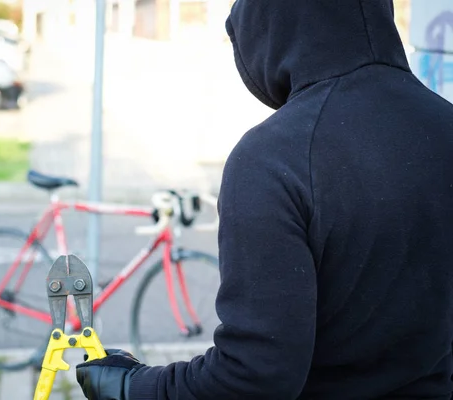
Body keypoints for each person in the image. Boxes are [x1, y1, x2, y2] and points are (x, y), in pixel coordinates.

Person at [75, 0, 453, 398]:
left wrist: (132, 386)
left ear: (266, 26)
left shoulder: (274, 158)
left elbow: (252, 376)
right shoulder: (444, 126)